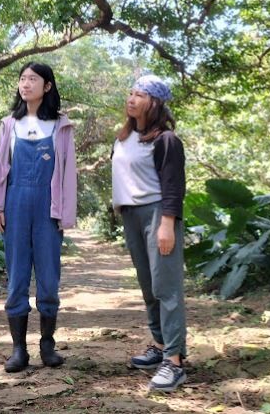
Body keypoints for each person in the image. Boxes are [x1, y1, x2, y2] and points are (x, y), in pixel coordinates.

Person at [0, 62, 78, 373]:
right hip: (16, 204)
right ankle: (18, 349)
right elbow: (0, 168)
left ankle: (47, 345)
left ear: (47, 86)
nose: (25, 84)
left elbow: (68, 174)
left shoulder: (61, 126)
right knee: (17, 278)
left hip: (48, 207)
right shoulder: (9, 124)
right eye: (22, 79)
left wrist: (66, 214)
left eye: (33, 79)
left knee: (49, 279)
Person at [111, 74, 187, 392]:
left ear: (154, 103)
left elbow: (173, 186)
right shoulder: (124, 137)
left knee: (165, 286)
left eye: (139, 95)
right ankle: (159, 344)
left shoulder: (166, 140)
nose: (131, 99)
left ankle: (174, 361)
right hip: (131, 216)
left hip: (158, 214)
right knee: (148, 286)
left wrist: (167, 223)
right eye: (130, 93)